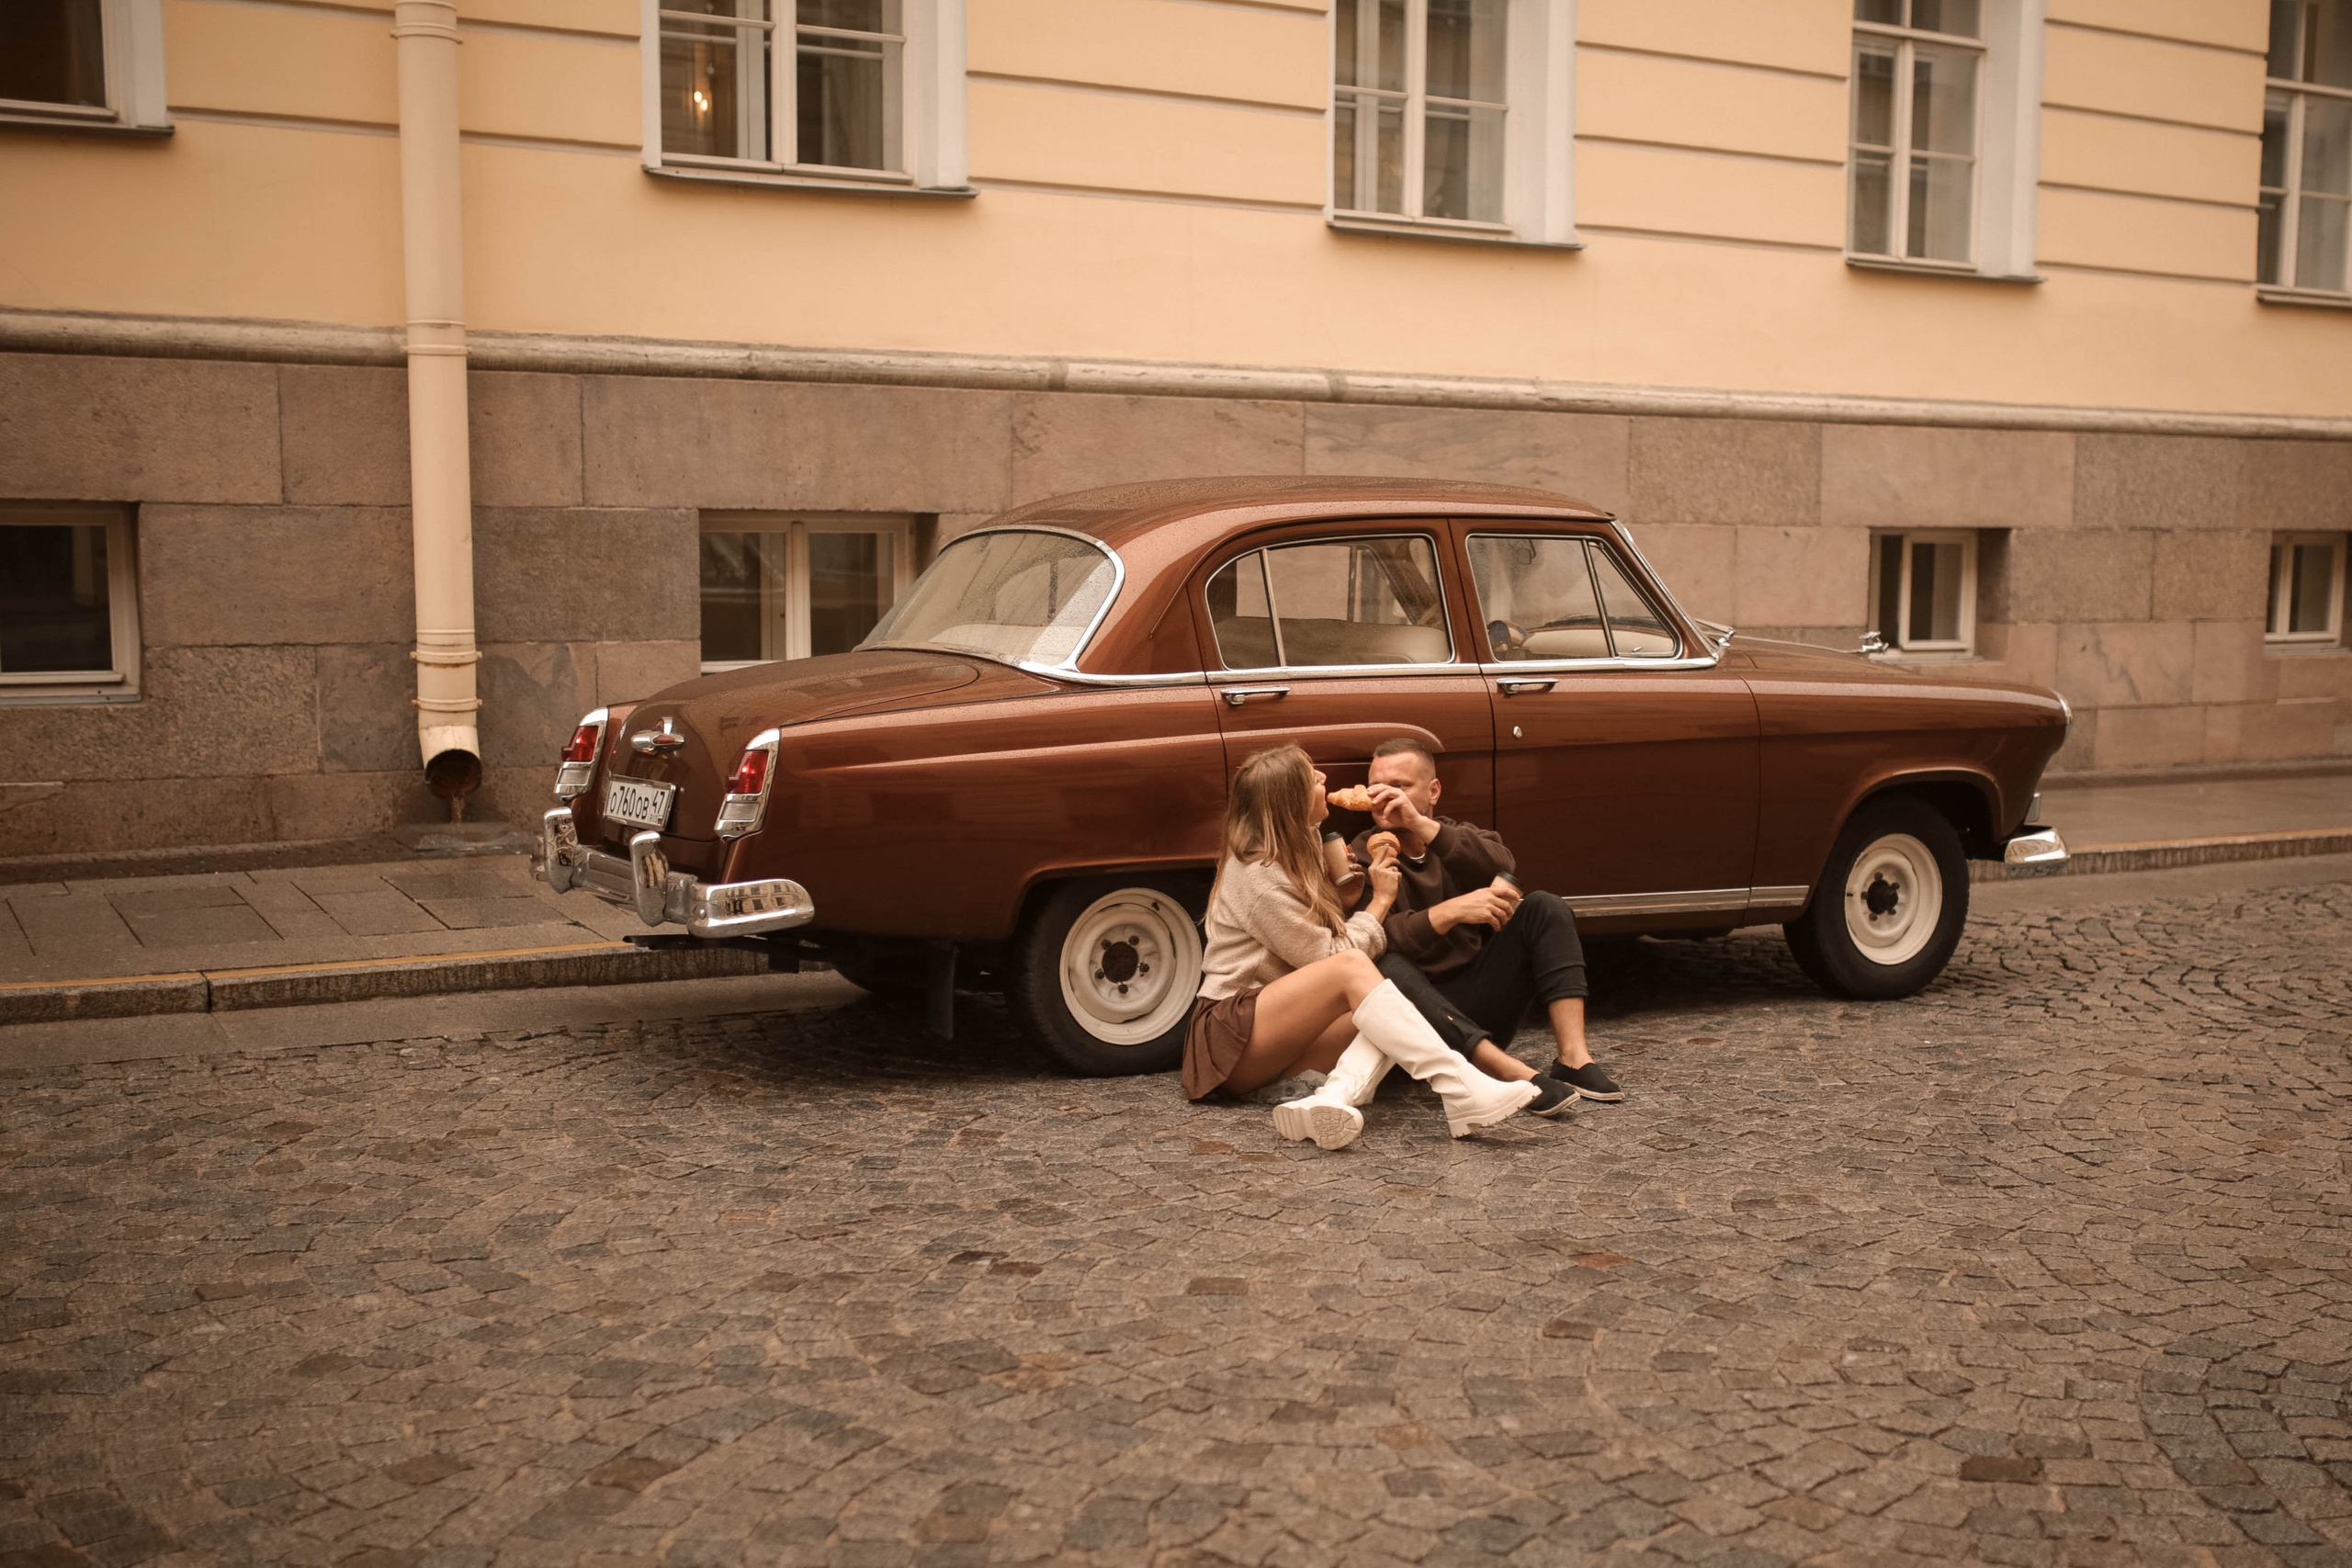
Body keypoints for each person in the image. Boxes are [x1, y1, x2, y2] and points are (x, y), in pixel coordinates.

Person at [1185, 744, 1540, 1149]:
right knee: (1355, 967)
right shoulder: (1258, 873)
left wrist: (1344, 901)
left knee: (1391, 1005)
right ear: (1290, 800)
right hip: (1231, 1036)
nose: (1324, 779)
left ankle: (1331, 1098)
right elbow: (1329, 959)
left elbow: (1312, 943)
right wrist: (1380, 901)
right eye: (1313, 778)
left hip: (1285, 1036)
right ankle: (1461, 1086)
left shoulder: (1301, 849)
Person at [1344, 737, 1624, 1104]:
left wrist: (1420, 824)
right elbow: (1373, 940)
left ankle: (1574, 1059)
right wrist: (1452, 911)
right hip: (1415, 1020)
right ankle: (1506, 1072)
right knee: (1387, 963)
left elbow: (1502, 865)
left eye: (1401, 786)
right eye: (1377, 787)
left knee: (1545, 906)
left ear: (1433, 791)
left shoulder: (1455, 836)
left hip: (1481, 1003)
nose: (1386, 797)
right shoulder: (1361, 856)